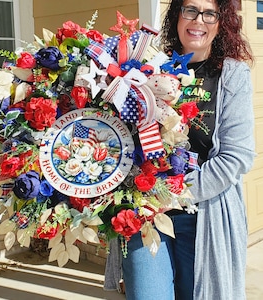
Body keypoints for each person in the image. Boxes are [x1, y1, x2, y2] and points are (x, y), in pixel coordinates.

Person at [104, 0, 256, 299]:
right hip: (145, 212)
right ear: (177, 16)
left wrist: (171, 195)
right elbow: (123, 136)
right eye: (190, 10)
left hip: (202, 215)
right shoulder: (147, 67)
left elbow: (236, 157)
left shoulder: (232, 74)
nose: (198, 20)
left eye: (209, 13)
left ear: (220, 22)